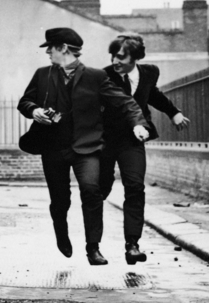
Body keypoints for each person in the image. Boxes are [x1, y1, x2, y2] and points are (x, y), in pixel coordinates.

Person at [17, 27, 149, 265]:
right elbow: (25, 101)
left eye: (50, 47)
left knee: (91, 191)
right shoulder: (42, 74)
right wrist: (34, 110)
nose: (47, 52)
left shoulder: (95, 76)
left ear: (63, 49)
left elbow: (125, 102)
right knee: (60, 200)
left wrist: (138, 124)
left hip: (86, 148)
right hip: (53, 148)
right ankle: (61, 233)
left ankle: (93, 248)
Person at [100, 32, 190, 264]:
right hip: (106, 140)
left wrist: (174, 113)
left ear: (135, 57)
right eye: (113, 56)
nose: (115, 61)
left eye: (120, 57)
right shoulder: (104, 76)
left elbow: (153, 95)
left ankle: (132, 244)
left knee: (135, 187)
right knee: (101, 187)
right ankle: (94, 237)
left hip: (133, 140)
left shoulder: (149, 72)